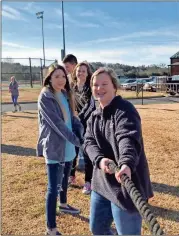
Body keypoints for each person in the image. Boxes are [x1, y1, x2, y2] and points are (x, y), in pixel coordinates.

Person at [83, 67, 154, 235]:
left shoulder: (125, 110)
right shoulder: (94, 116)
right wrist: (100, 160)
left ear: (114, 86)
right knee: (97, 229)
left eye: (104, 84)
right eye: (95, 85)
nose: (99, 88)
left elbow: (127, 138)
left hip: (126, 185)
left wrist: (126, 163)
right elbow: (88, 142)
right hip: (101, 184)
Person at [37, 64, 84, 235]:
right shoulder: (45, 96)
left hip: (68, 145)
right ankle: (50, 228)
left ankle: (63, 205)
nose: (61, 79)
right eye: (56, 76)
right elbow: (57, 124)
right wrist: (76, 139)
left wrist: (80, 130)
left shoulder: (64, 93)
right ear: (49, 78)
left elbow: (71, 117)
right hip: (55, 146)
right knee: (53, 188)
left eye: (63, 76)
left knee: (65, 178)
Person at [69, 62, 96, 195]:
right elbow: (68, 103)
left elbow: (91, 106)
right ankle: (71, 176)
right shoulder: (71, 87)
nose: (80, 73)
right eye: (78, 71)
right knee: (72, 151)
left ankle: (88, 182)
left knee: (87, 154)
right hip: (74, 123)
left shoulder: (90, 88)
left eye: (83, 71)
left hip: (87, 124)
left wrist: (79, 117)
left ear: (87, 73)